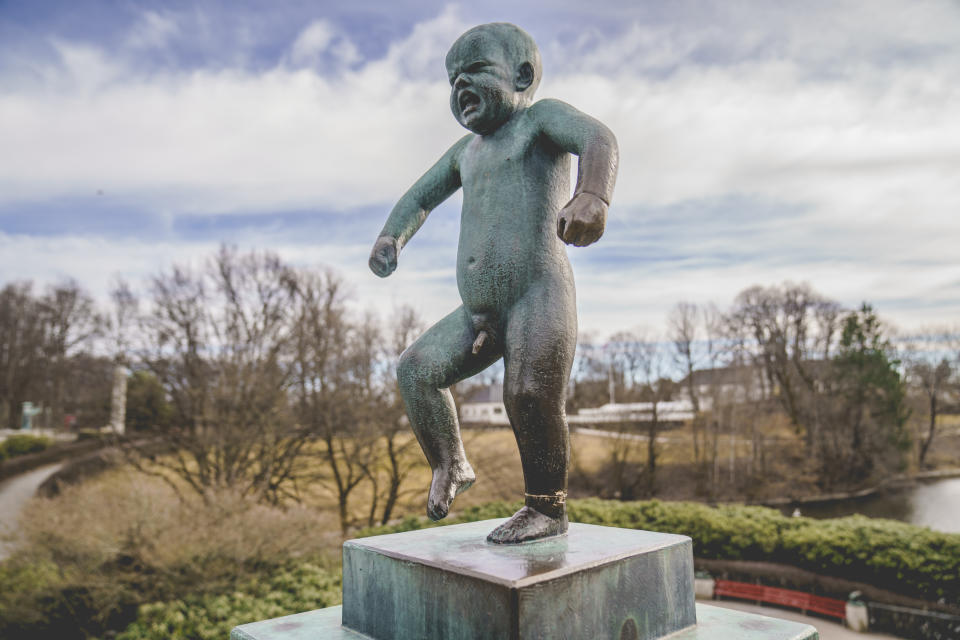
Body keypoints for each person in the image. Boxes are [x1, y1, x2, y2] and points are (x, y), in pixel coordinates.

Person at [369, 22, 618, 543]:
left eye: (476, 70)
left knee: (528, 394)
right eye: (452, 78)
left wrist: (592, 194)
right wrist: (393, 237)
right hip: (478, 312)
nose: (461, 86)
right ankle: (451, 463)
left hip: (538, 294)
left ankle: (547, 508)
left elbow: (598, 138)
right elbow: (419, 198)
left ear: (522, 74)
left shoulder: (540, 121)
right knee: (416, 370)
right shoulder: (465, 151)